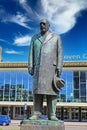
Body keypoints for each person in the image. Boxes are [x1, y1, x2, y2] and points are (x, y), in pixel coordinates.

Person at [28, 19, 63, 121]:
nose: (42, 25)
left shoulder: (56, 37)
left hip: (51, 69)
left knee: (51, 92)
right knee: (37, 92)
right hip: (37, 68)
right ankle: (36, 113)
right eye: (40, 24)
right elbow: (31, 53)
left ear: (48, 25)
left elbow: (60, 53)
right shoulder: (34, 38)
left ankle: (52, 114)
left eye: (44, 24)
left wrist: (59, 67)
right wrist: (30, 66)